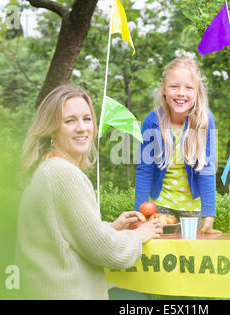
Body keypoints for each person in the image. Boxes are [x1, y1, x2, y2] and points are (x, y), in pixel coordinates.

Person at [15, 84, 162, 300]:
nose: (82, 128)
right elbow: (104, 250)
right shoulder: (63, 174)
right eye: (69, 121)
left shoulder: (46, 167)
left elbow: (66, 237)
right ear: (52, 128)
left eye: (87, 119)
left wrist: (111, 228)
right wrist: (139, 235)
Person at [135, 56, 221, 233]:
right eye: (174, 86)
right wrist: (139, 214)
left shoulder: (204, 121)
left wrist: (209, 215)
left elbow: (206, 168)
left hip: (192, 211)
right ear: (164, 90)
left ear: (197, 92)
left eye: (189, 88)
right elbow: (144, 169)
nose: (181, 93)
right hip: (160, 208)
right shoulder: (152, 121)